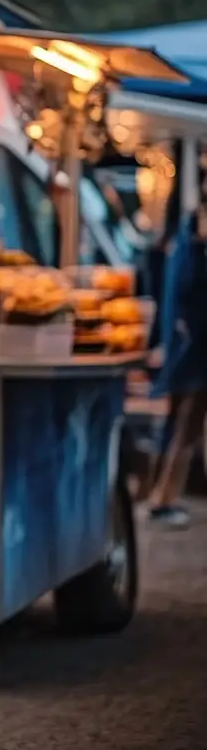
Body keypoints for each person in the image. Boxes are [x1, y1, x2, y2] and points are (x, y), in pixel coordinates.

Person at [145, 207, 207, 528]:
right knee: (184, 427)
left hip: (188, 351)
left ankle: (160, 494)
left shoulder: (186, 243)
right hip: (193, 353)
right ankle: (161, 497)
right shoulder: (191, 250)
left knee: (180, 426)